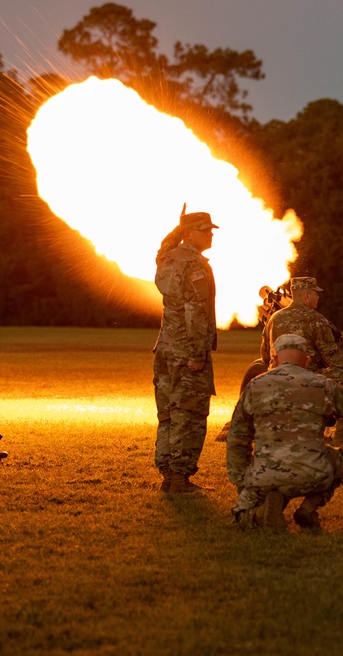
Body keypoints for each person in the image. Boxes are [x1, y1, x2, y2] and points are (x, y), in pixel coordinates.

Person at [227, 334, 343, 530]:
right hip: (312, 473)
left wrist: (243, 483)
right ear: (307, 360)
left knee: (240, 517)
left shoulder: (255, 386)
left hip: (264, 476)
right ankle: (308, 509)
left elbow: (236, 438)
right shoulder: (323, 385)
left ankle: (259, 515)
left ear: (275, 360)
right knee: (339, 460)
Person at [153, 209, 219, 493]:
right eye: (205, 230)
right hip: (185, 351)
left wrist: (175, 231)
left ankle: (168, 476)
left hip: (165, 349)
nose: (211, 234)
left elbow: (162, 249)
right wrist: (196, 354)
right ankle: (180, 478)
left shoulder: (168, 259)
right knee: (188, 415)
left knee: (168, 413)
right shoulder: (194, 265)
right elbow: (196, 312)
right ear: (190, 234)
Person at [259, 276, 343, 391]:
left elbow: (265, 357)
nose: (318, 297)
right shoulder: (317, 319)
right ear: (307, 296)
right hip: (304, 378)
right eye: (315, 293)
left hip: (276, 376)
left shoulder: (273, 318)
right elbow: (334, 359)